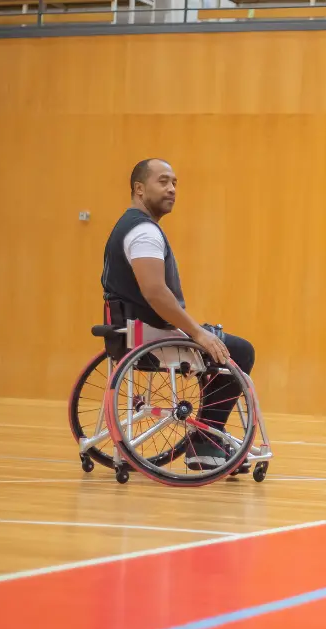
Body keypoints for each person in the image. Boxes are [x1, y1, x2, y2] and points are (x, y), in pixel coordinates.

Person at [100, 158, 256, 471]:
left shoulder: (130, 226)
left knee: (215, 348)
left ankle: (210, 436)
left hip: (133, 334)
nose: (172, 189)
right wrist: (198, 333)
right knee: (238, 351)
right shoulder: (144, 232)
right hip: (151, 337)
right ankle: (204, 443)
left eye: (175, 183)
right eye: (163, 181)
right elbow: (155, 293)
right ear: (139, 189)